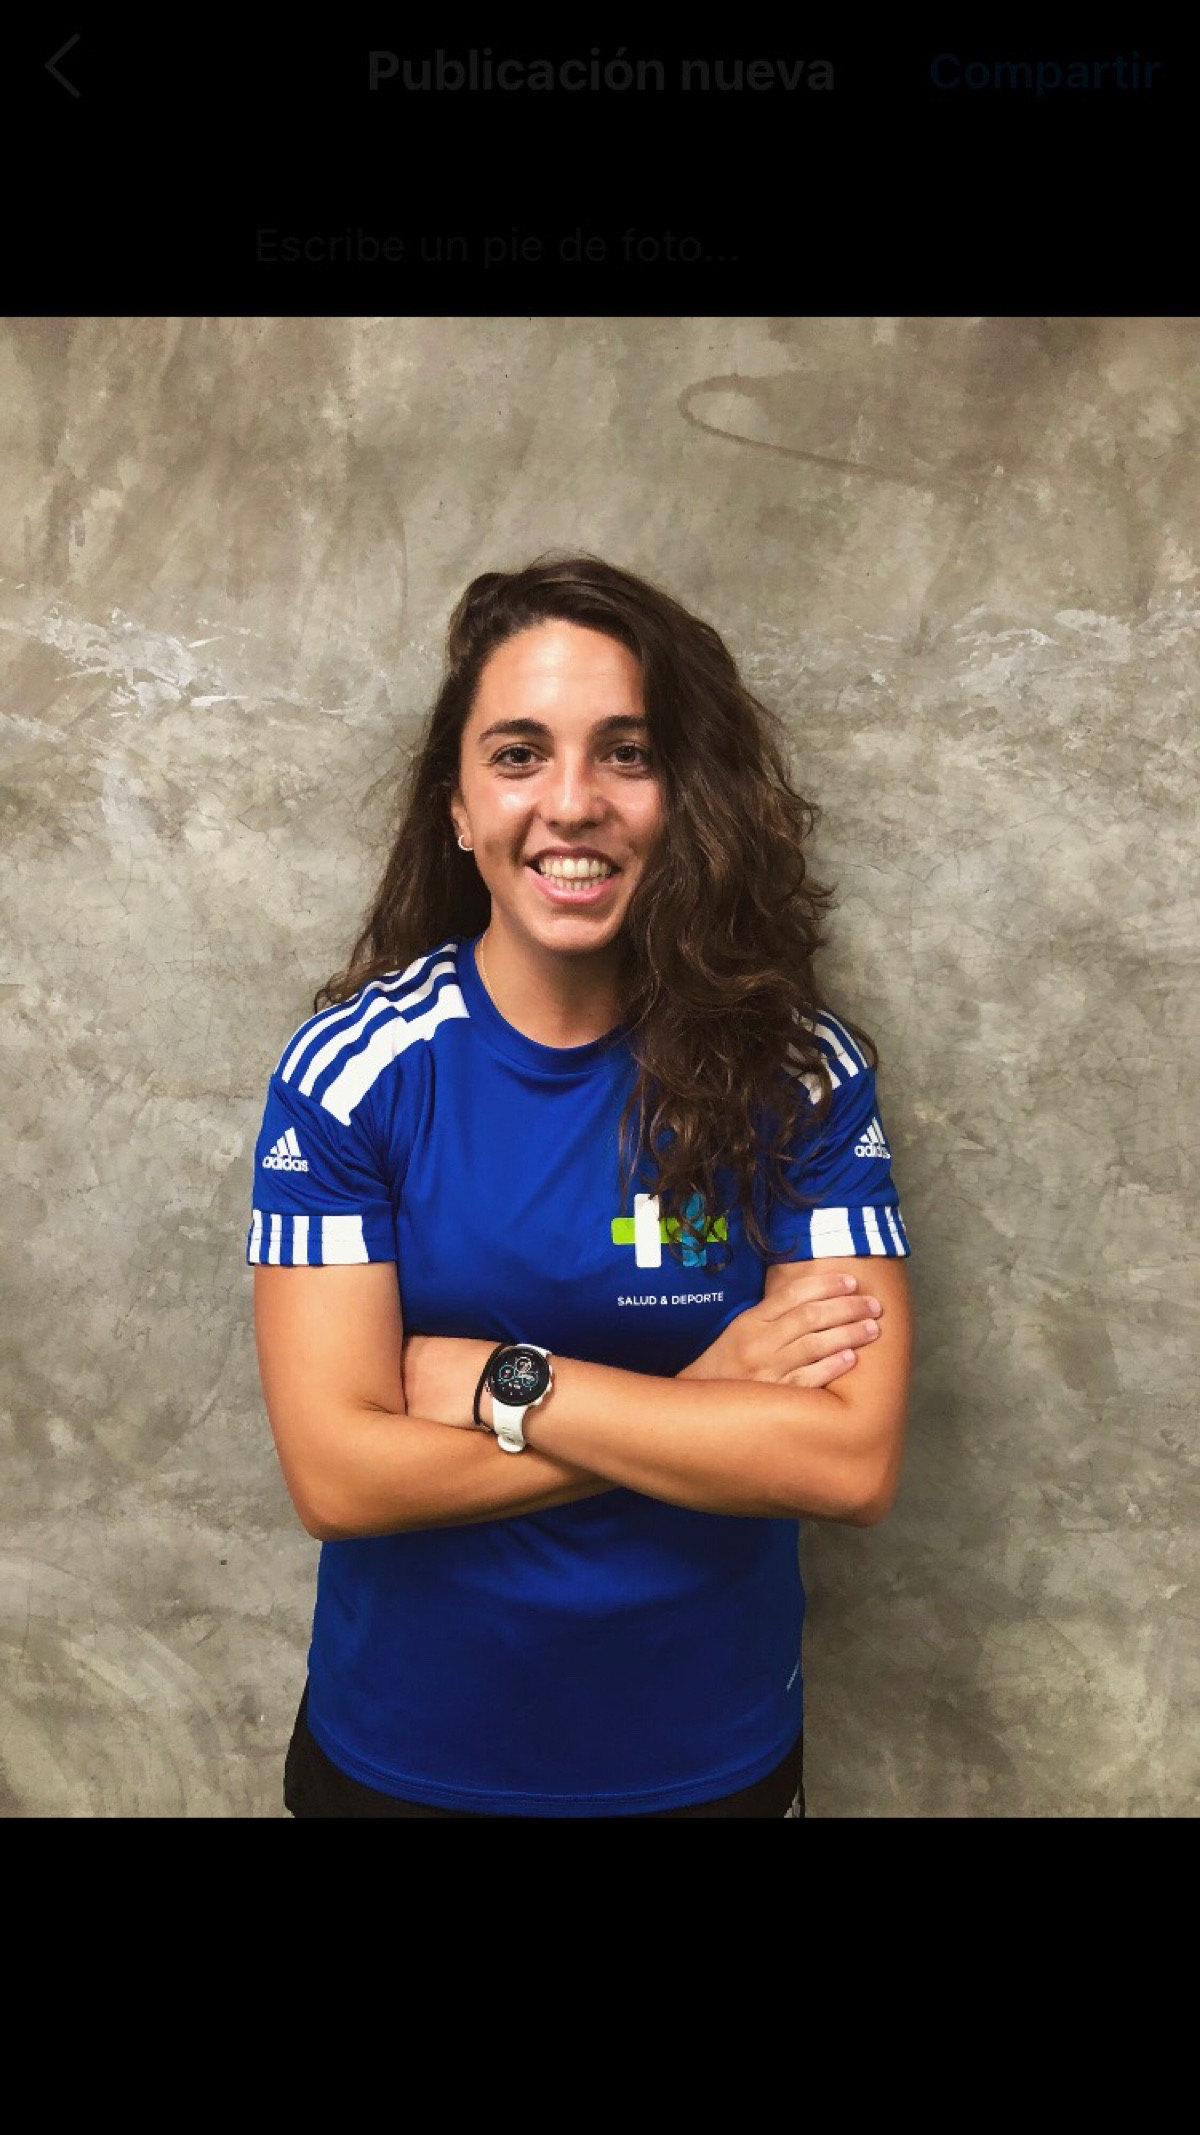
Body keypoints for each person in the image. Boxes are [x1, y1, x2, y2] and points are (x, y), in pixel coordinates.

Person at [248, 554, 913, 1819]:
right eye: (519, 754)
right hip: (406, 1760)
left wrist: (508, 1384)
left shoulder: (797, 1074)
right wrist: (701, 1400)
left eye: (627, 753)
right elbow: (338, 1478)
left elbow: (847, 1462)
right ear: (457, 805)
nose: (572, 802)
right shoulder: (352, 1073)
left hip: (708, 1758)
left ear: (686, 791)